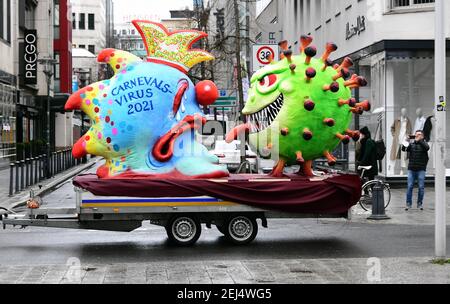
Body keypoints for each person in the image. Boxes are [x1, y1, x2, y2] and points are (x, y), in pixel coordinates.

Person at [402, 130, 429, 211]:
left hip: (421, 169)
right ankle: (408, 203)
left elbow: (427, 148)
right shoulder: (411, 144)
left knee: (421, 187)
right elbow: (403, 149)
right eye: (416, 135)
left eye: (419, 135)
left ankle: (419, 203)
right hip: (411, 169)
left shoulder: (424, 144)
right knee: (409, 186)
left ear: (422, 136)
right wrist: (406, 140)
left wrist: (420, 140)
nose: (417, 136)